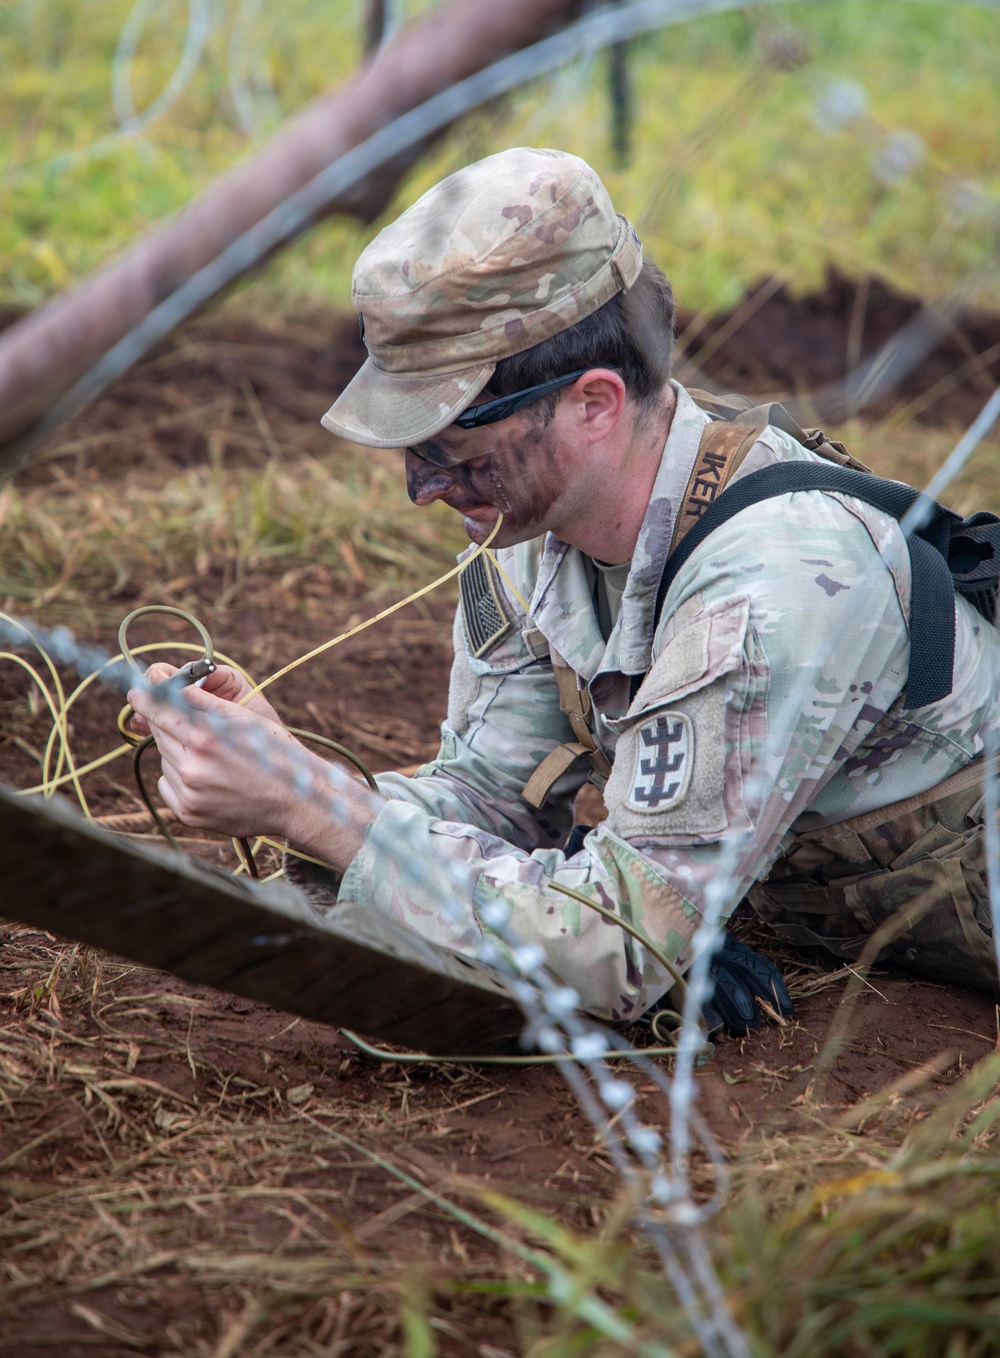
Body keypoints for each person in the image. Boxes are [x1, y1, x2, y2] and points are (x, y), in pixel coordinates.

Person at [129, 146, 1000, 1029]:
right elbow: (490, 799)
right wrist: (292, 778)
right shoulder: (532, 529)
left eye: (451, 449)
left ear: (594, 404)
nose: (423, 489)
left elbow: (616, 948)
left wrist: (314, 811)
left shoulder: (772, 587)